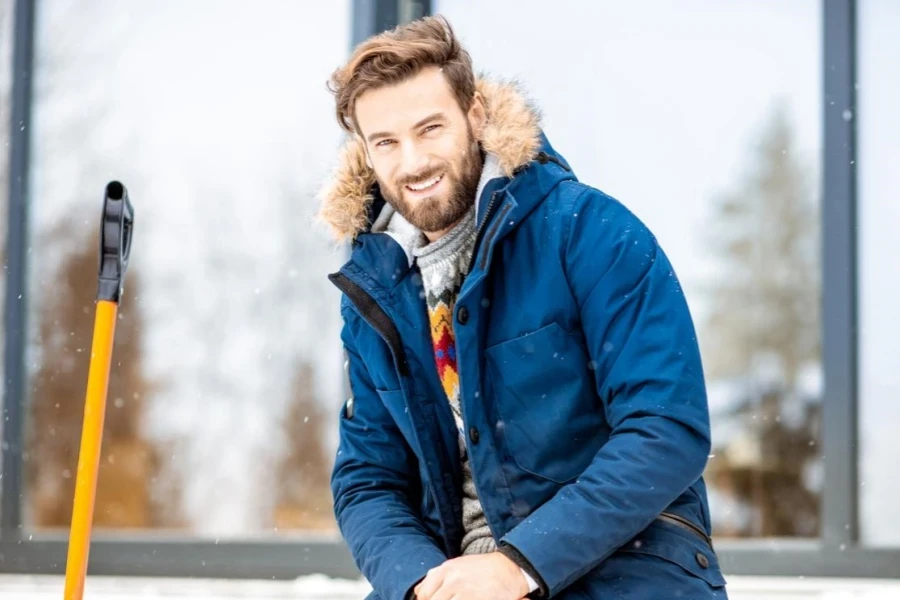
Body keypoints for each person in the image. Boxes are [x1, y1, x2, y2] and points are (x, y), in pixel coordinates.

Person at [317, 14, 728, 600]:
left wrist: (517, 565)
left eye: (430, 128)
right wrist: (418, 585)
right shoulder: (374, 293)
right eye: (386, 142)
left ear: (475, 116)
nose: (412, 163)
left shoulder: (590, 233)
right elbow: (367, 479)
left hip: (619, 573)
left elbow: (666, 430)